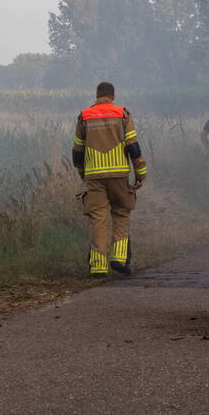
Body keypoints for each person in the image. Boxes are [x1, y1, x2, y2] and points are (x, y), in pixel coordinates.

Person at [73, 82, 146, 277]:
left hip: (94, 177)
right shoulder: (122, 114)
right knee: (121, 214)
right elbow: (133, 146)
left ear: (97, 95)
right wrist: (140, 172)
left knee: (98, 219)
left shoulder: (84, 116)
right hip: (119, 175)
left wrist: (82, 172)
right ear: (112, 96)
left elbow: (77, 152)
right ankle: (118, 259)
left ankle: (97, 267)